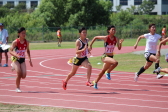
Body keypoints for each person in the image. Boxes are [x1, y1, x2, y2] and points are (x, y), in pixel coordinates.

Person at [9, 27, 33, 92]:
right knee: (19, 73)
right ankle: (17, 87)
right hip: (16, 59)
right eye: (22, 33)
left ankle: (13, 66)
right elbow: (10, 51)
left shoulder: (27, 42)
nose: (24, 34)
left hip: (22, 60)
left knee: (23, 75)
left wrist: (30, 59)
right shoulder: (15, 42)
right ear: (19, 34)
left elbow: (28, 51)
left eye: (25, 33)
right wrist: (16, 55)